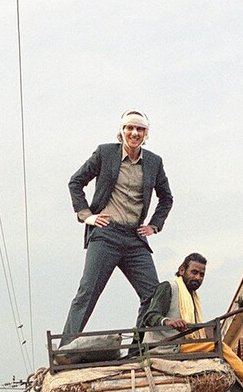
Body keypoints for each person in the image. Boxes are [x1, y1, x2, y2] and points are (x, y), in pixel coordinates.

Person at [61, 110, 174, 342]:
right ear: (121, 131)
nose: (134, 133)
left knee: (154, 294)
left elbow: (166, 198)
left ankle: (137, 349)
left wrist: (154, 225)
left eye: (140, 129)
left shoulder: (154, 162)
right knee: (88, 292)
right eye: (129, 128)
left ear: (146, 134)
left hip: (135, 237)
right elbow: (76, 182)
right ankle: (65, 350)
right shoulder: (105, 153)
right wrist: (87, 216)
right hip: (106, 234)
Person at [143, 253, 243, 392]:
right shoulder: (168, 287)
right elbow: (150, 316)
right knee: (218, 345)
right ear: (182, 270)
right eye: (194, 272)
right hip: (166, 346)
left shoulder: (192, 297)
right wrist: (168, 322)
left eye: (202, 275)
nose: (198, 278)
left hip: (181, 344)